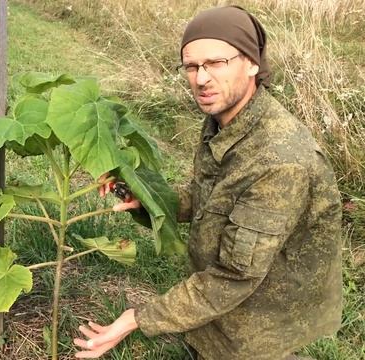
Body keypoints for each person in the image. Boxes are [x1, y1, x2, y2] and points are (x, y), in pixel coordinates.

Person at [73, 6, 343, 360]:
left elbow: (234, 277)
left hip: (263, 314)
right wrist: (149, 199)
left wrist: (134, 319)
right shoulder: (223, 119)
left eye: (216, 63)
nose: (201, 79)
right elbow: (209, 199)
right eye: (191, 66)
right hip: (224, 303)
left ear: (252, 63)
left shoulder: (280, 161)